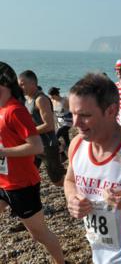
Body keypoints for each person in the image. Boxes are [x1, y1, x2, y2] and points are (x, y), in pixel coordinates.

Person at [64, 73, 121, 264]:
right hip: (99, 253)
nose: (76, 123)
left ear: (111, 111)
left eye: (85, 115)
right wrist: (72, 199)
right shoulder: (77, 145)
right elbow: (70, 180)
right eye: (73, 114)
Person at [0, 62, 65, 264]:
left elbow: (36, 147)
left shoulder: (15, 111)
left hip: (21, 184)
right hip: (3, 180)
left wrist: (2, 151)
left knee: (39, 234)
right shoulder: (2, 108)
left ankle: (61, 262)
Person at [18, 70, 66, 187]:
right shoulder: (26, 99)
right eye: (19, 84)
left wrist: (27, 133)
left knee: (57, 180)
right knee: (28, 174)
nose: (20, 87)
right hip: (34, 145)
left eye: (23, 84)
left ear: (33, 83)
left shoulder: (41, 99)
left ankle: (76, 189)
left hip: (47, 146)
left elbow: (48, 125)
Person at [48, 87, 73, 154]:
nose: (51, 98)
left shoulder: (64, 100)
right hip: (60, 123)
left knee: (55, 136)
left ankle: (61, 151)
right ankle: (70, 152)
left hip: (68, 122)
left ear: (56, 95)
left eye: (52, 96)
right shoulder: (52, 101)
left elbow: (73, 109)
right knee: (66, 140)